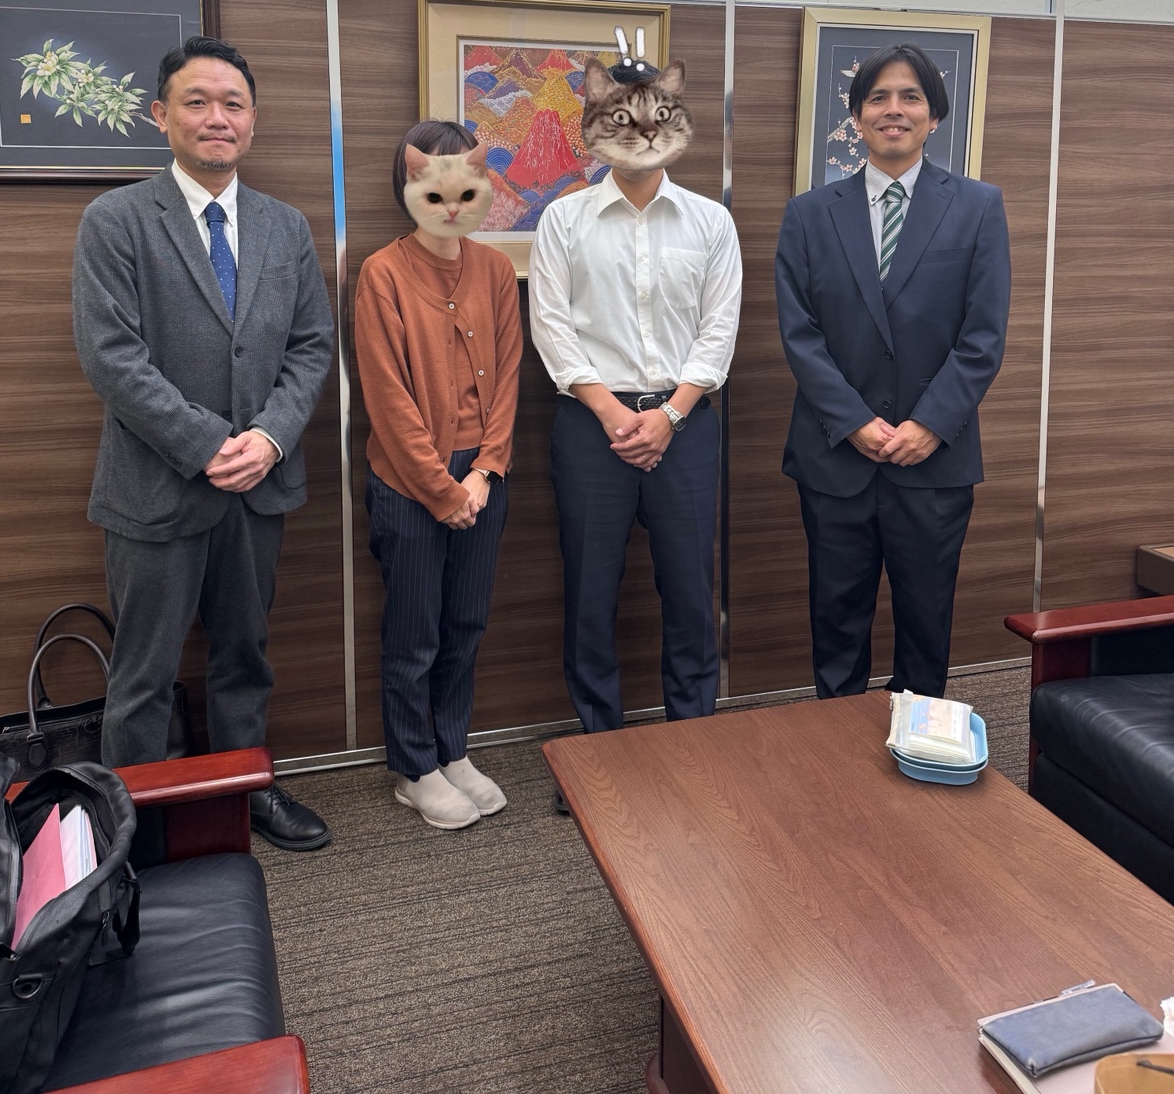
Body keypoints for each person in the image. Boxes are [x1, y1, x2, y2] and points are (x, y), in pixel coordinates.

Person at [72, 35, 334, 850]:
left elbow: (310, 347)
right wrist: (211, 443)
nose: (217, 117)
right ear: (160, 115)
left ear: (253, 120)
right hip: (156, 487)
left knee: (245, 656)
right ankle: (136, 829)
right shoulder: (116, 220)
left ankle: (244, 791)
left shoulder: (285, 227)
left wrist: (271, 438)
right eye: (197, 101)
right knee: (143, 674)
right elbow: (111, 357)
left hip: (259, 485)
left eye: (233, 104)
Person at [775, 42, 1011, 700]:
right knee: (835, 624)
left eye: (911, 97)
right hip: (835, 457)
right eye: (877, 98)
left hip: (933, 461)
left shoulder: (978, 207)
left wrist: (930, 424)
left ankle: (921, 748)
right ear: (856, 117)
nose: (894, 110)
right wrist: (853, 421)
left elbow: (983, 336)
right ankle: (836, 750)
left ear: (935, 115)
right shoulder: (809, 214)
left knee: (926, 627)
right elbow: (800, 334)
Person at [529, 55, 742, 760]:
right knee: (590, 594)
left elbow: (719, 329)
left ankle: (693, 741)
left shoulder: (711, 221)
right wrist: (612, 413)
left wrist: (670, 415)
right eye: (624, 118)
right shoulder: (563, 219)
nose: (644, 131)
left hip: (686, 425)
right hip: (592, 426)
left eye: (659, 117)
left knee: (690, 592)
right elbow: (551, 325)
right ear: (594, 125)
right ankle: (600, 751)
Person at [355, 121, 522, 830]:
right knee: (414, 632)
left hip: (483, 476)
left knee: (466, 623)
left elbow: (509, 376)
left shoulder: (495, 270)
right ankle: (414, 765)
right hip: (408, 480)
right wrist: (441, 489)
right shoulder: (382, 273)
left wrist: (485, 470)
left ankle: (453, 749)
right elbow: (387, 396)